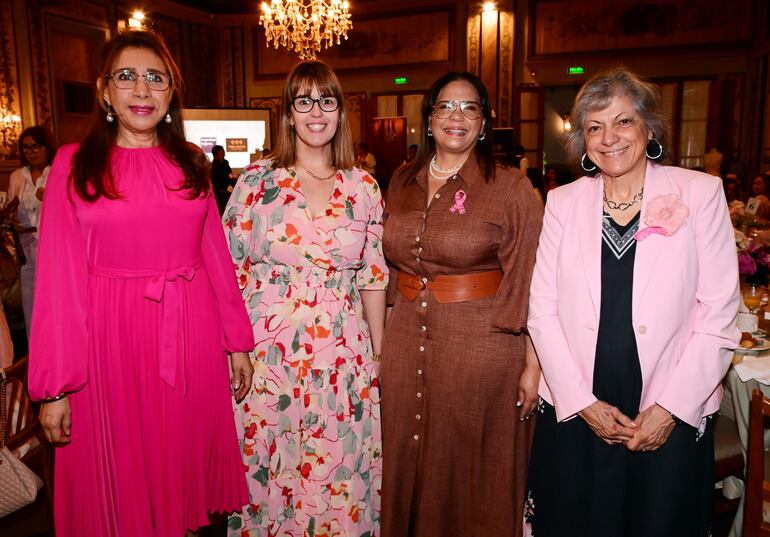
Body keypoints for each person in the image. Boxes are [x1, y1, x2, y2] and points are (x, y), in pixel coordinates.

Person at [28, 30, 255, 536]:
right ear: (104, 91)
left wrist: (237, 340)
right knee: (121, 485)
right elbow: (58, 282)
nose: (142, 90)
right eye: (127, 76)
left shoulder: (192, 161)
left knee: (182, 470)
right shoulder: (73, 164)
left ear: (172, 93)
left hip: (190, 334)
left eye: (156, 78)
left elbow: (214, 255)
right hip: (108, 345)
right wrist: (55, 386)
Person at [526, 67, 740, 536]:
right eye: (594, 127)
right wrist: (582, 402)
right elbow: (542, 311)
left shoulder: (699, 193)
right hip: (578, 400)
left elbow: (720, 315)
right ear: (582, 140)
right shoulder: (562, 202)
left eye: (623, 121)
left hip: (669, 402)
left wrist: (671, 408)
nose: (609, 138)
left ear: (648, 127)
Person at [224, 60, 388, 536]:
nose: (316, 111)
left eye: (327, 100)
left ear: (340, 112)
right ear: (288, 114)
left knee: (340, 470)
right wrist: (234, 349)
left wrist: (378, 357)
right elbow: (229, 270)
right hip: (266, 357)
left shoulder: (363, 187)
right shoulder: (256, 183)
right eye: (304, 101)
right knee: (269, 471)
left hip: (343, 357)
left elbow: (373, 277)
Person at [380, 71, 543, 536]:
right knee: (407, 455)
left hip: (483, 346)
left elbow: (531, 278)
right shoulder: (402, 180)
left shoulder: (509, 187)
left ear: (484, 123)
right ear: (429, 119)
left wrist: (534, 366)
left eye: (470, 108)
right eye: (446, 107)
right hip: (405, 338)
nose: (457, 117)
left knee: (472, 464)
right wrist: (382, 345)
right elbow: (388, 270)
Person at [7, 126, 57, 339]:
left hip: (53, 248)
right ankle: (35, 351)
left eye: (36, 146)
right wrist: (11, 220)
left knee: (54, 302)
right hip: (26, 248)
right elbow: (11, 207)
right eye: (26, 147)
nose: (31, 151)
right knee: (30, 305)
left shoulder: (58, 172)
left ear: (47, 147)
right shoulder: (17, 176)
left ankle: (58, 350)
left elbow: (74, 207)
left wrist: (52, 198)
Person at [211, 144, 235, 214]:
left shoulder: (225, 163)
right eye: (222, 152)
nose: (224, 154)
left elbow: (229, 175)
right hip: (220, 193)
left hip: (227, 190)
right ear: (216, 155)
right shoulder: (214, 167)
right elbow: (217, 181)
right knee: (221, 211)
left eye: (223, 151)